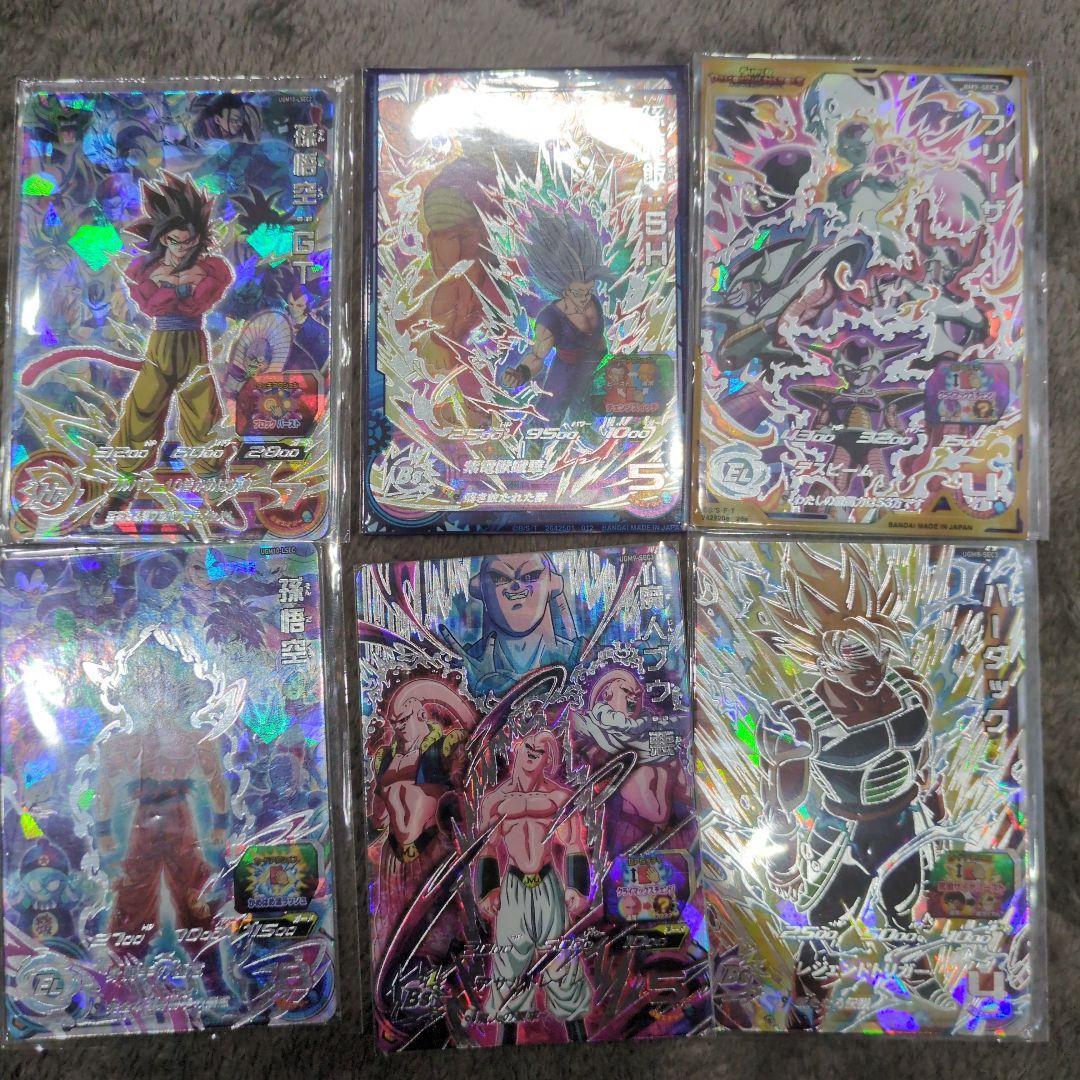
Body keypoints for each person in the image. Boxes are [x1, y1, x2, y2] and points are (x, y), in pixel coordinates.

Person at [755, 545, 946, 1028]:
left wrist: (935, 805)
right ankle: (805, 1012)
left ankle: (918, 982)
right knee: (824, 930)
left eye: (877, 652)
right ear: (821, 659)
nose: (873, 669)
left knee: (905, 913)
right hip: (844, 835)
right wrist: (782, 858)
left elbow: (922, 759)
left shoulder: (907, 687)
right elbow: (781, 803)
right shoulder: (799, 720)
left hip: (905, 822)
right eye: (855, 659)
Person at [90, 634, 233, 1005]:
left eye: (166, 687)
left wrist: (220, 821)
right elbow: (104, 787)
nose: (157, 698)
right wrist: (103, 829)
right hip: (142, 821)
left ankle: (213, 976)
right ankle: (121, 976)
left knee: (195, 891)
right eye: (147, 688)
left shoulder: (197, 738)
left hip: (181, 820)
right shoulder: (122, 742)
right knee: (133, 894)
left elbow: (216, 780)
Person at [473, 729, 592, 1043]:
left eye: (540, 752)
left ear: (547, 761)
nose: (531, 755)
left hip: (548, 885)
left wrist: (577, 887)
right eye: (528, 747)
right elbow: (486, 848)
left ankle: (580, 1039)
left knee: (562, 963)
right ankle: (505, 1042)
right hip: (513, 887)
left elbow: (574, 843)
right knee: (509, 967)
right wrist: (487, 889)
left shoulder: (559, 798)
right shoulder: (495, 801)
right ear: (517, 747)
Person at [501, 211, 614, 427]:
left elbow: (600, 341)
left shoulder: (594, 303)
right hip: (565, 372)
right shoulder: (551, 318)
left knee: (585, 416)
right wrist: (521, 373)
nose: (586, 298)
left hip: (595, 369)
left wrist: (608, 364)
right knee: (548, 416)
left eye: (589, 290)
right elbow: (537, 355)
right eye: (579, 293)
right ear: (564, 290)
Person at [448, 553, 582, 697]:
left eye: (530, 576)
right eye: (500, 578)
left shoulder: (577, 656)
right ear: (479, 588)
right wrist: (470, 681)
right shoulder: (466, 663)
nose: (516, 586)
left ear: (553, 585)